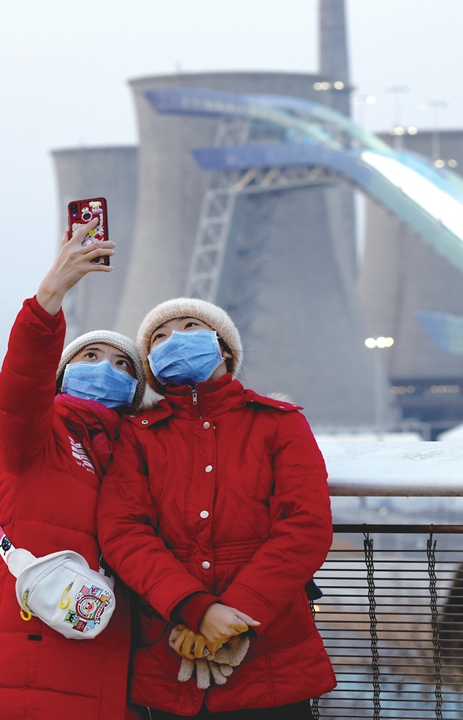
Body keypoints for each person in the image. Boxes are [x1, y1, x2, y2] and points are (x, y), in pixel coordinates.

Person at [97, 298, 336, 719]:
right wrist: (195, 608)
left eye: (190, 327)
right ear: (151, 362)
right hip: (169, 653)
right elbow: (124, 531)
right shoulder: (139, 437)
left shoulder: (278, 423)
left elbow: (305, 526)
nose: (174, 340)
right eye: (159, 337)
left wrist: (235, 614)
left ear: (224, 348)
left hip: (270, 658)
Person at [0, 219, 145, 719]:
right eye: (91, 356)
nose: (106, 368)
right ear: (64, 373)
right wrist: (51, 295)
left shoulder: (135, 455)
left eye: (123, 365)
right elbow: (22, 384)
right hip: (31, 653)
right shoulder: (35, 439)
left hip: (113, 656)